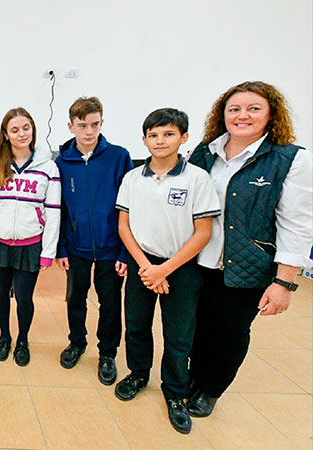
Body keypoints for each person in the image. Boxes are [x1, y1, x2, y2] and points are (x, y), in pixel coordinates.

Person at [187, 81, 313, 418]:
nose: (242, 115)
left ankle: (211, 389)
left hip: (247, 264)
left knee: (230, 331)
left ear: (271, 114)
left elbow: (296, 224)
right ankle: (193, 377)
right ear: (223, 115)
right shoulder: (205, 152)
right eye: (235, 109)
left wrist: (284, 282)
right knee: (198, 325)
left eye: (253, 109)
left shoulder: (290, 159)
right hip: (198, 261)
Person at [114, 108, 221, 434]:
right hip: (143, 264)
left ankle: (175, 391)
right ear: (144, 139)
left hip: (181, 266)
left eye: (169, 134)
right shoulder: (133, 177)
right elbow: (124, 226)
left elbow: (203, 233)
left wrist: (165, 270)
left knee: (178, 333)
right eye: (154, 135)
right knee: (136, 325)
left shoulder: (197, 179)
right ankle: (138, 374)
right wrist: (147, 267)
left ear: (183, 137)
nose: (160, 141)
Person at [54, 97, 133, 384]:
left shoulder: (119, 157)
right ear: (71, 126)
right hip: (76, 247)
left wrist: (125, 252)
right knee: (75, 297)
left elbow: (130, 207)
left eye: (95, 124)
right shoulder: (61, 163)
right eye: (82, 125)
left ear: (102, 123)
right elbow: (59, 208)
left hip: (111, 247)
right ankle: (76, 342)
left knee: (109, 302)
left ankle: (107, 353)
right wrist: (61, 247)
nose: (89, 131)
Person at [0, 107, 61, 366]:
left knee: (24, 297)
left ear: (33, 130)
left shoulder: (48, 168)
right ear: (6, 134)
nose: (21, 134)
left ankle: (23, 340)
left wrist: (48, 252)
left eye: (26, 128)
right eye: (15, 130)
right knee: (1, 291)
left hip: (30, 244)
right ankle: (5, 337)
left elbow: (53, 212)